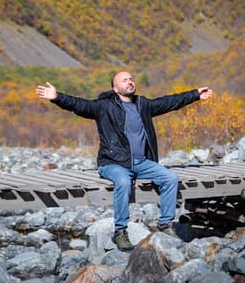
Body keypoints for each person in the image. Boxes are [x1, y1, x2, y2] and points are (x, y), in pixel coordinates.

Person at [36, 71, 213, 251]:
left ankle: (165, 223)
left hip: (142, 162)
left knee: (170, 178)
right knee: (123, 181)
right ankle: (120, 231)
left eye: (131, 79)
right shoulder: (104, 106)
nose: (130, 82)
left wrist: (195, 94)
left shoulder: (143, 104)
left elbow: (169, 102)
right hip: (113, 163)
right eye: (124, 80)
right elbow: (80, 105)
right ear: (115, 88)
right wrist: (57, 97)